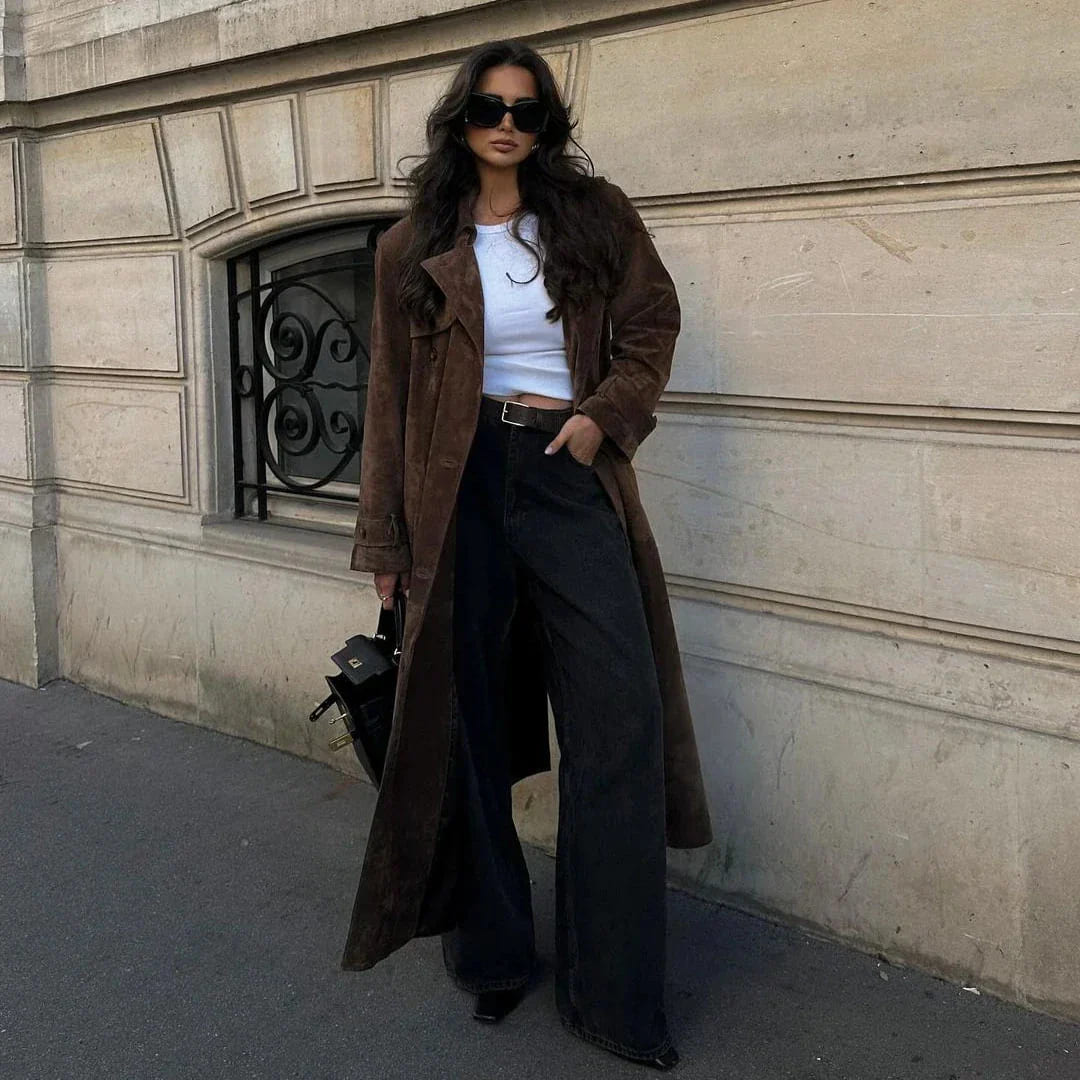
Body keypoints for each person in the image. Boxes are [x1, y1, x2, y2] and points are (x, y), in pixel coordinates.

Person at [349, 37, 712, 1072]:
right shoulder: (412, 243)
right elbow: (389, 400)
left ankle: (615, 996)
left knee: (618, 725)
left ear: (546, 125)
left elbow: (652, 323)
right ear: (460, 121)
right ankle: (493, 954)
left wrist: (602, 419)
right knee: (465, 722)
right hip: (453, 488)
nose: (505, 125)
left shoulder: (595, 218)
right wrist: (385, 538)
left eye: (526, 110)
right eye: (488, 108)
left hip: (563, 471)